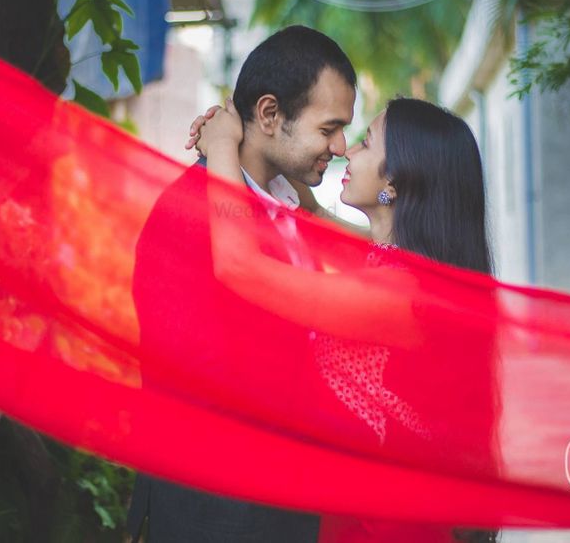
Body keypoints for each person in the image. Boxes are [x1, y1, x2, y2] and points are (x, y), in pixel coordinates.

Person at [192, 96, 499, 543]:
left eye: (366, 142)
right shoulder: (403, 265)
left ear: (394, 179)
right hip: (373, 508)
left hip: (382, 524)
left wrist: (221, 146)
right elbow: (313, 215)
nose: (346, 151)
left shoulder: (399, 293)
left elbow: (241, 270)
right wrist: (263, 139)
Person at [126, 25, 357, 543]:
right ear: (270, 115)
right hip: (222, 515)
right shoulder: (188, 219)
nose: (340, 147)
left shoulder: (289, 199)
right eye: (328, 129)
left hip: (289, 502)